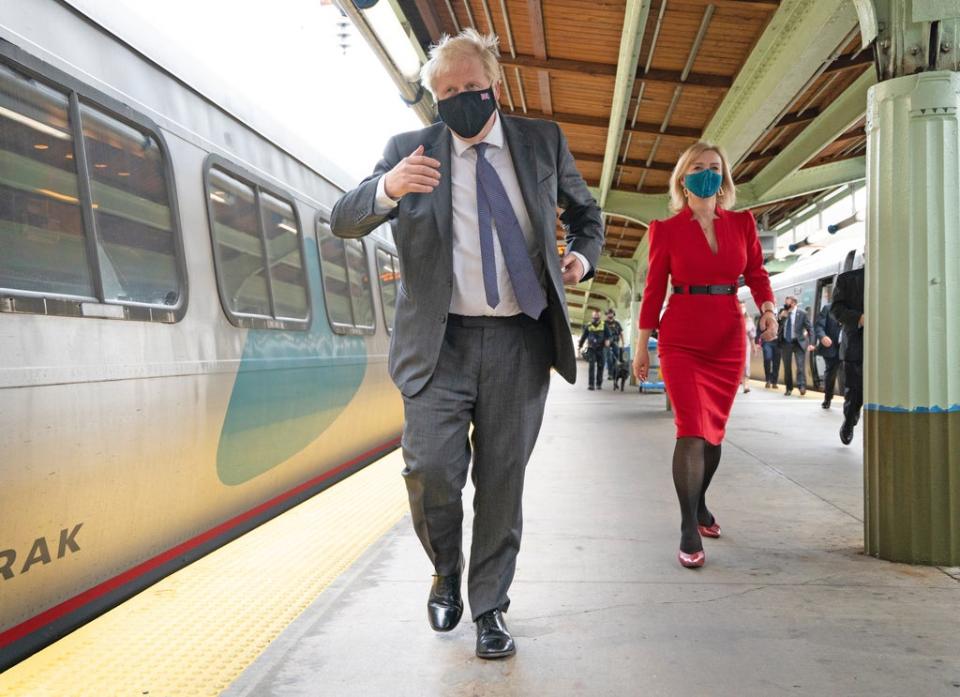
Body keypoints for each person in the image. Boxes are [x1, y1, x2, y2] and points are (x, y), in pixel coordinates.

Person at [329, 29, 603, 658]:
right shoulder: (409, 151)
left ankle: (490, 609)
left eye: (469, 88)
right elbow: (344, 219)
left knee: (502, 480)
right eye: (446, 93)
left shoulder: (542, 142)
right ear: (434, 100)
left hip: (519, 339)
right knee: (430, 472)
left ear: (494, 86)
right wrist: (389, 188)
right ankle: (445, 568)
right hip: (440, 344)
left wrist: (582, 263)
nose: (460, 101)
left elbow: (588, 218)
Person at [632, 141, 777, 568]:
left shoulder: (743, 223)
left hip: (728, 334)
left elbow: (756, 273)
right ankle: (687, 525)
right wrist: (642, 346)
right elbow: (654, 291)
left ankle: (699, 503)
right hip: (682, 337)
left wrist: (767, 309)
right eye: (698, 167)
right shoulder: (665, 229)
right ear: (683, 178)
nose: (707, 172)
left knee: (713, 433)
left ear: (725, 177)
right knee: (691, 428)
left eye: (715, 167)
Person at [831, 267, 864, 444]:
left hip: (888, 344)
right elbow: (836, 309)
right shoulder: (847, 279)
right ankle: (849, 422)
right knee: (855, 391)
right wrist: (859, 318)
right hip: (855, 345)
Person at [778, 295, 814, 396]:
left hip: (798, 342)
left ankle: (802, 386)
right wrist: (781, 317)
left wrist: (811, 343)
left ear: (793, 303)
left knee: (800, 365)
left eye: (787, 303)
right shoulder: (783, 312)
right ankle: (789, 388)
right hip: (786, 342)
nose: (785, 305)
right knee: (787, 367)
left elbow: (810, 328)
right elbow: (778, 326)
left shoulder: (802, 313)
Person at [814, 288, 843, 409]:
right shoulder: (827, 308)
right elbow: (819, 326)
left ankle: (851, 402)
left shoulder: (853, 309)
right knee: (830, 374)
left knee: (850, 374)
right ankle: (828, 398)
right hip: (831, 347)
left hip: (847, 347)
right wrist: (823, 336)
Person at [578, 310, 609, 390]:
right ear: (592, 316)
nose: (596, 317)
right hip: (591, 349)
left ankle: (599, 384)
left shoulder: (604, 325)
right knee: (591, 366)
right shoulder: (588, 326)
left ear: (600, 316)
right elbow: (584, 336)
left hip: (601, 349)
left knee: (600, 366)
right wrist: (580, 345)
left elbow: (608, 335)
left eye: (597, 315)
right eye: (595, 315)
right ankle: (591, 385)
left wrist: (607, 341)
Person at [604, 308, 624, 385]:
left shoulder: (617, 323)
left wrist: (623, 343)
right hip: (607, 342)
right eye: (608, 313)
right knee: (609, 358)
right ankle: (610, 374)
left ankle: (616, 373)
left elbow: (621, 333)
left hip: (615, 341)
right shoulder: (603, 323)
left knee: (617, 356)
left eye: (611, 313)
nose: (610, 315)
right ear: (607, 315)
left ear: (613, 314)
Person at [740, 302, 757, 393]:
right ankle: (739, 381)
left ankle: (746, 385)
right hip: (735, 345)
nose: (742, 308)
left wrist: (754, 346)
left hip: (746, 344)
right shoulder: (733, 318)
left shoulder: (749, 320)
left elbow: (752, 335)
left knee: (746, 364)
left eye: (743, 306)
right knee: (738, 365)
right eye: (741, 306)